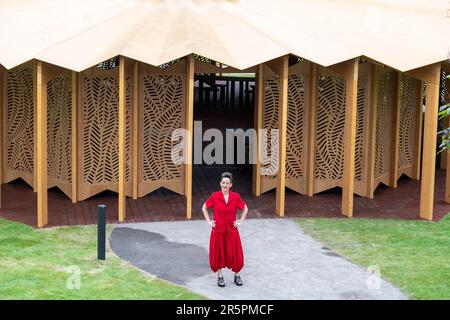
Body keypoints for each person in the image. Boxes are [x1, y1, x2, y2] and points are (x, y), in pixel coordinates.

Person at [202, 172, 249, 287]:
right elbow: (204, 207)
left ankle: (237, 275)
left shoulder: (236, 197)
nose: (225, 185)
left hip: (232, 230)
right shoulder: (215, 196)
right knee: (219, 253)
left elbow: (245, 209)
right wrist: (209, 221)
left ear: (231, 185)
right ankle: (220, 276)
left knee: (235, 253)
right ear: (220, 183)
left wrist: (240, 222)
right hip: (218, 230)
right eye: (223, 183)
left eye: (227, 183)